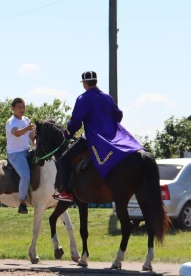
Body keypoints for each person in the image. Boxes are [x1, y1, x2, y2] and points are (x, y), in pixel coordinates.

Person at [54, 71, 142, 202]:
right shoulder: (107, 97)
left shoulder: (83, 98)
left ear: (84, 83)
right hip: (113, 138)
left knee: (64, 159)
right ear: (96, 81)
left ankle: (66, 191)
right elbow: (118, 115)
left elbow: (76, 121)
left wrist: (67, 134)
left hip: (92, 138)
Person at [6, 97, 35, 214]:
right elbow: (16, 133)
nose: (22, 109)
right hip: (15, 153)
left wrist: (35, 143)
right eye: (19, 107)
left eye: (23, 107)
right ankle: (22, 203)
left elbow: (32, 136)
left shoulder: (26, 119)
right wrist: (27, 128)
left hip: (27, 150)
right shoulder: (11, 121)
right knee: (25, 175)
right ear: (13, 108)